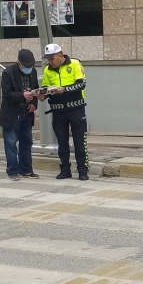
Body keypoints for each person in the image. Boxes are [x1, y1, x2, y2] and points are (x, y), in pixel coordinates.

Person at [38, 43, 90, 181]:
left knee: (80, 141)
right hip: (58, 111)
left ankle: (83, 171)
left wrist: (64, 89)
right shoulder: (48, 70)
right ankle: (65, 169)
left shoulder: (74, 64)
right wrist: (43, 94)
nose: (49, 62)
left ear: (60, 55)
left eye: (51, 58)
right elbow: (45, 87)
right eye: (48, 59)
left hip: (76, 109)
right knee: (62, 142)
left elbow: (82, 84)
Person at [0, 49, 40, 181]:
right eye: (26, 66)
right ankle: (13, 171)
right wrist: (22, 95)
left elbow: (35, 88)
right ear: (19, 63)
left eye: (31, 66)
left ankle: (26, 170)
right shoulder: (8, 73)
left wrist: (34, 102)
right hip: (12, 113)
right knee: (11, 142)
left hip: (27, 112)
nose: (29, 68)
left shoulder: (33, 72)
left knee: (27, 142)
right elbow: (6, 94)